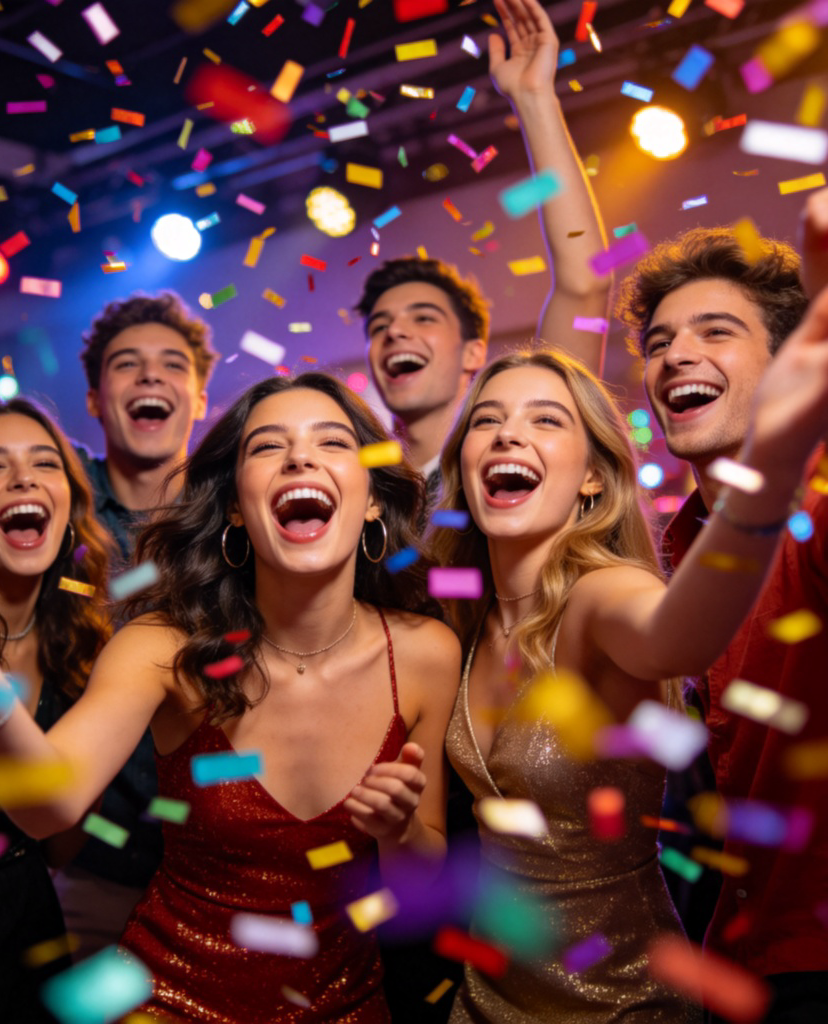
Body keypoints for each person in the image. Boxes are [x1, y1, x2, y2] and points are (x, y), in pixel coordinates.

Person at [0, 372, 463, 1021]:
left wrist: (401, 831)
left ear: (373, 497)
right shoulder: (164, 646)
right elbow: (46, 805)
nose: (299, 457)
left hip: (348, 1007)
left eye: (331, 442)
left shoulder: (427, 653)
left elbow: (419, 887)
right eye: (266, 446)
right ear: (235, 504)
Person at [428, 306, 828, 1020]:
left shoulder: (601, 595)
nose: (509, 433)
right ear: (463, 464)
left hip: (621, 1006)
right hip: (483, 999)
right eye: (487, 420)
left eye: (546, 421)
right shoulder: (463, 619)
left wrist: (770, 462)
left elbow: (676, 637)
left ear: (591, 478)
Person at [0, 175, 221, 953]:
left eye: (171, 364)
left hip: (206, 852)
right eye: (126, 365)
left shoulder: (229, 513)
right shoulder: (62, 488)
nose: (149, 377)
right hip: (81, 854)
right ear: (97, 400)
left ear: (200, 396)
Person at [616, 217, 827, 1020]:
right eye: (659, 341)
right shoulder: (668, 564)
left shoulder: (816, 508)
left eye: (716, 331)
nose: (675, 355)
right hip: (727, 967)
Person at [357, 0, 612, 507]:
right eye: (379, 325)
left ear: (474, 352)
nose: (395, 332)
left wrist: (534, 98)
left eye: (423, 317)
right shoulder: (365, 498)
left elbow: (585, 281)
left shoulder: (511, 461)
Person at [0, 397, 115, 1024]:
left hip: (29, 927)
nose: (25, 479)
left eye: (46, 463)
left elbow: (61, 841)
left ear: (69, 509)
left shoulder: (88, 649)